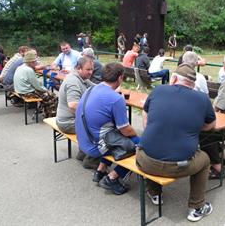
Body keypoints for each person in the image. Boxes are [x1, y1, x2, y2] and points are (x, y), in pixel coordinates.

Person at [136, 63, 216, 222]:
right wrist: (194, 127)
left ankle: (155, 193)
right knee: (205, 159)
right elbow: (211, 125)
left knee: (148, 147)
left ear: (173, 78)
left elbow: (145, 120)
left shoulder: (158, 90)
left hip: (145, 161)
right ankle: (197, 207)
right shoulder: (202, 98)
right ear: (193, 84)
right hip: (180, 166)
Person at [75, 62, 139, 195]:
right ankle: (112, 178)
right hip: (94, 146)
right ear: (120, 78)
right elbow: (125, 129)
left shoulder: (91, 89)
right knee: (140, 145)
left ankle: (100, 170)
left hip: (83, 140)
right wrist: (136, 136)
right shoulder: (115, 99)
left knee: (114, 136)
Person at [14, 51, 58, 118]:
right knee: (52, 96)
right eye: (35, 61)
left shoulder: (20, 67)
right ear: (31, 62)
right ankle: (50, 116)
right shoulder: (28, 70)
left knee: (46, 95)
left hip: (19, 90)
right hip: (26, 92)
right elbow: (37, 86)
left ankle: (45, 111)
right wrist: (46, 90)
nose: (36, 63)